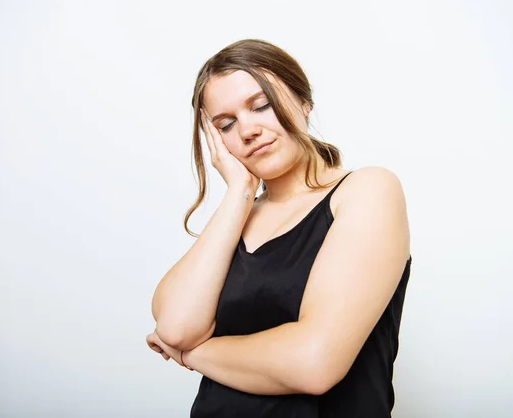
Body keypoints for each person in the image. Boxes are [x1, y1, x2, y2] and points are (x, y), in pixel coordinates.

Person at [146, 38, 412, 417]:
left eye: (261, 106)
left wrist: (194, 354)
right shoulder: (236, 219)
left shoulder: (367, 190)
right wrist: (239, 191)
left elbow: (315, 362)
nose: (248, 130)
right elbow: (173, 327)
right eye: (226, 124)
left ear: (304, 101)